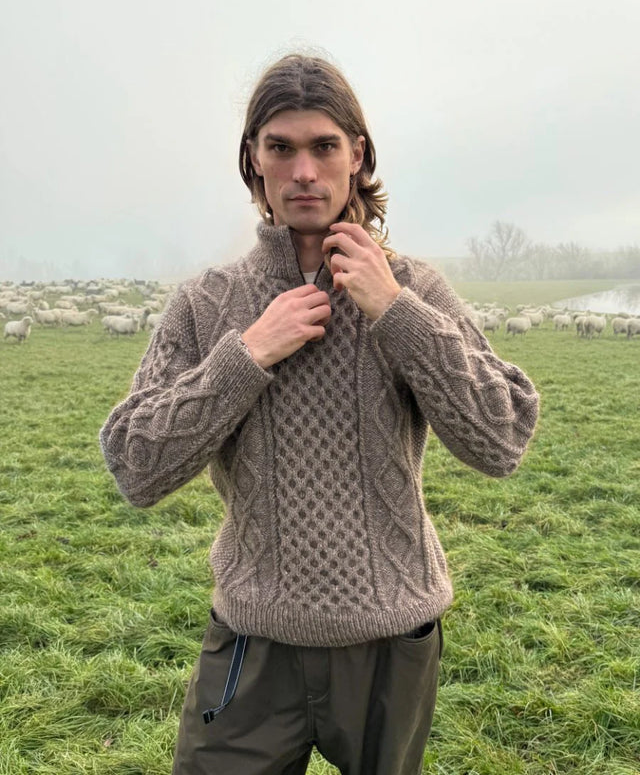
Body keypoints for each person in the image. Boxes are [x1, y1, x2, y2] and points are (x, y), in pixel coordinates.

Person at [100, 54, 539, 775]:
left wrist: (395, 311)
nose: (303, 171)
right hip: (253, 643)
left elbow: (502, 437)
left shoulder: (413, 288)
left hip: (389, 640)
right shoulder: (206, 303)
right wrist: (247, 355)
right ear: (253, 158)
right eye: (281, 147)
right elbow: (135, 464)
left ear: (356, 155)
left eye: (324, 146)